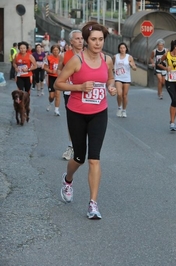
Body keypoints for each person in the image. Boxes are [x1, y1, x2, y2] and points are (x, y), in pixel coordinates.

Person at [54, 21, 117, 220]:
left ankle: (93, 204)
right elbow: (58, 83)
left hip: (99, 112)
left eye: (101, 40)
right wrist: (80, 88)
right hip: (77, 112)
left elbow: (110, 78)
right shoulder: (76, 61)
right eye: (93, 40)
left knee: (94, 158)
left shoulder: (107, 60)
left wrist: (111, 87)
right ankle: (68, 179)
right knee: (79, 157)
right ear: (86, 41)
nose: (97, 43)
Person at [58, 29, 84, 161]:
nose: (80, 41)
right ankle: (71, 146)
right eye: (77, 38)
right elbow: (58, 70)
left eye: (81, 38)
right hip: (69, 91)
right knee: (73, 121)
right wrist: (63, 77)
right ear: (71, 41)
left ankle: (81, 146)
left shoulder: (89, 55)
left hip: (86, 92)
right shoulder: (64, 56)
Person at [113, 42, 136, 117]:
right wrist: (113, 68)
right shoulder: (116, 57)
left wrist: (132, 66)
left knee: (124, 95)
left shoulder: (129, 57)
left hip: (126, 78)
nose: (122, 49)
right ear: (119, 49)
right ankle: (119, 108)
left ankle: (124, 110)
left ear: (126, 49)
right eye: (121, 48)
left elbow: (135, 68)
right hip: (118, 77)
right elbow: (112, 65)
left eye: (124, 48)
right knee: (119, 94)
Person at [43, 44, 62, 116]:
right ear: (51, 51)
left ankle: (56, 110)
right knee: (52, 96)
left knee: (57, 94)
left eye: (57, 50)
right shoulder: (48, 58)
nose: (55, 51)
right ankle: (50, 102)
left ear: (59, 51)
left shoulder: (61, 58)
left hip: (59, 78)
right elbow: (45, 67)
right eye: (54, 50)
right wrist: (51, 71)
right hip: (51, 77)